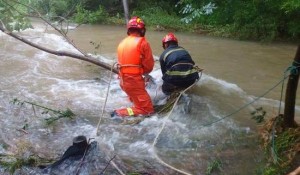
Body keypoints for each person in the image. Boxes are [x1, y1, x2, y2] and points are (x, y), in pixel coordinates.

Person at [112, 16, 155, 117]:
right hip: (133, 81)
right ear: (142, 30)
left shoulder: (122, 42)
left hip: (123, 81)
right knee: (148, 110)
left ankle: (134, 105)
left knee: (135, 98)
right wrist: (143, 73)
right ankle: (119, 113)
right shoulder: (143, 43)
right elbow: (149, 66)